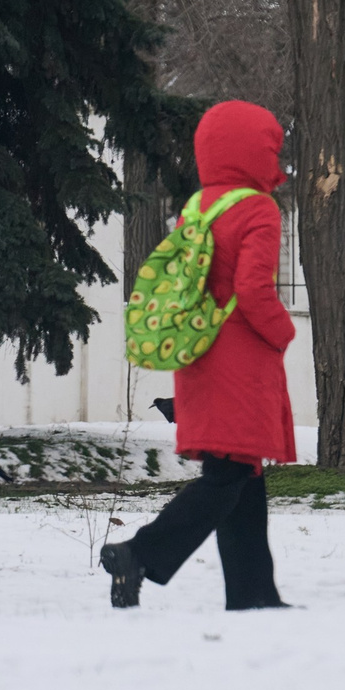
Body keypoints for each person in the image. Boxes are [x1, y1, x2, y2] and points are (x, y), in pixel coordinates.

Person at [102, 100, 297, 610]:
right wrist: (283, 332)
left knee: (242, 475)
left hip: (197, 353)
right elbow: (253, 290)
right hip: (239, 363)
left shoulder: (198, 206)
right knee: (228, 476)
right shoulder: (257, 208)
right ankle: (140, 552)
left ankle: (254, 593)